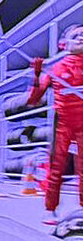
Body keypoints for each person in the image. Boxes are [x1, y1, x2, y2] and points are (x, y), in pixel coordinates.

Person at [26, 24, 83, 226]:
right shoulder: (56, 69)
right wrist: (36, 75)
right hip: (63, 123)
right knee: (56, 167)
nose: (81, 37)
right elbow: (33, 100)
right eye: (76, 35)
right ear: (64, 43)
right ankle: (50, 209)